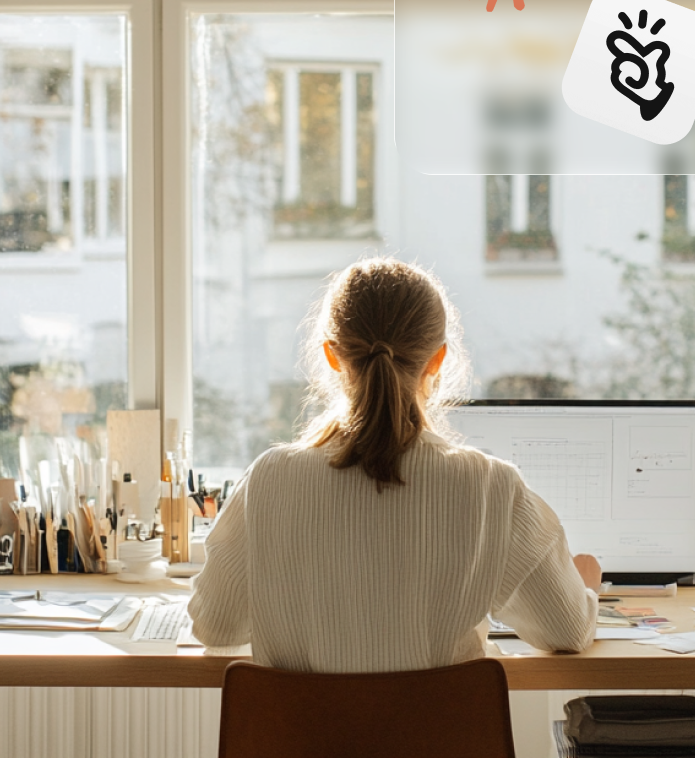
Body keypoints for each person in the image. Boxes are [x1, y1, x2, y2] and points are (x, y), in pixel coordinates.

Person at [188, 257, 599, 672]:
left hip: (300, 739)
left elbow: (215, 626)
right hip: (438, 739)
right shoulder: (491, 488)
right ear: (437, 360)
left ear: (331, 355)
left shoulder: (269, 480)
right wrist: (585, 588)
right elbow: (566, 632)